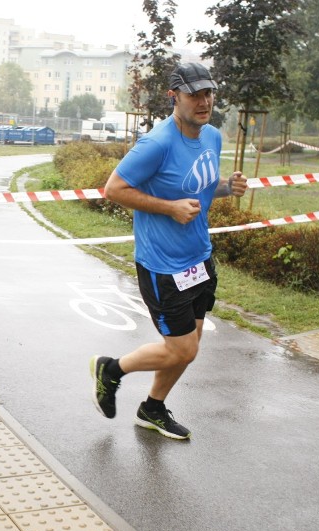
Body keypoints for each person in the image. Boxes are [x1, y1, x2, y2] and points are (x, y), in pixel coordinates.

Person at [89, 62, 247, 440]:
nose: (204, 101)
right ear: (174, 96)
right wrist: (169, 207)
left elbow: (200, 188)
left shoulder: (211, 137)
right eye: (195, 94)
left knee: (188, 347)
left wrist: (228, 187)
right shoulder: (157, 143)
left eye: (209, 93)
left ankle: (152, 408)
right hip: (163, 265)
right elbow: (114, 189)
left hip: (199, 257)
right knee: (182, 350)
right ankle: (111, 370)